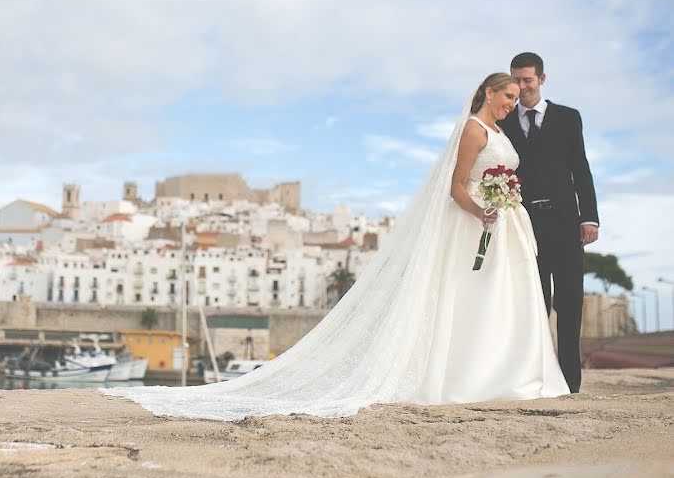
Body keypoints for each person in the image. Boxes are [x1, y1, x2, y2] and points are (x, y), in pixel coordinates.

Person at [103, 74, 569, 421]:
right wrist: (483, 210)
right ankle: (478, 374)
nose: (512, 104)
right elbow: (454, 185)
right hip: (475, 223)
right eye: (507, 96)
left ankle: (512, 372)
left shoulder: (503, 134)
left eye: (516, 98)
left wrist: (504, 203)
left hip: (504, 226)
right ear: (488, 92)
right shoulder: (472, 129)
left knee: (503, 300)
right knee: (472, 300)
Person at [499, 52, 599, 393]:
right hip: (525, 226)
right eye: (517, 80)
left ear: (542, 79)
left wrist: (590, 218)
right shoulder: (505, 122)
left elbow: (580, 168)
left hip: (566, 223)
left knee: (569, 304)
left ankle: (571, 384)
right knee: (535, 303)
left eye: (528, 79)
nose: (522, 86)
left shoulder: (569, 118)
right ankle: (540, 380)